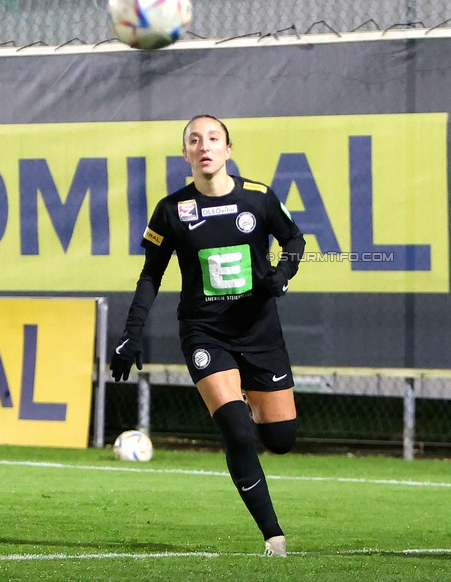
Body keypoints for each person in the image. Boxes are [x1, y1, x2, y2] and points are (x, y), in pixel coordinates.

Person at [110, 114, 305, 558]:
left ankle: (250, 404)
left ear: (228, 149)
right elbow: (150, 275)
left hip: (260, 332)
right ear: (186, 154)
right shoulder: (172, 209)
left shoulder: (258, 198)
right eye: (194, 140)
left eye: (213, 138)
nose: (205, 146)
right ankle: (273, 537)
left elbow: (294, 239)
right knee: (237, 431)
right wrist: (131, 333)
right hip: (204, 333)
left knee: (281, 440)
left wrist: (283, 272)